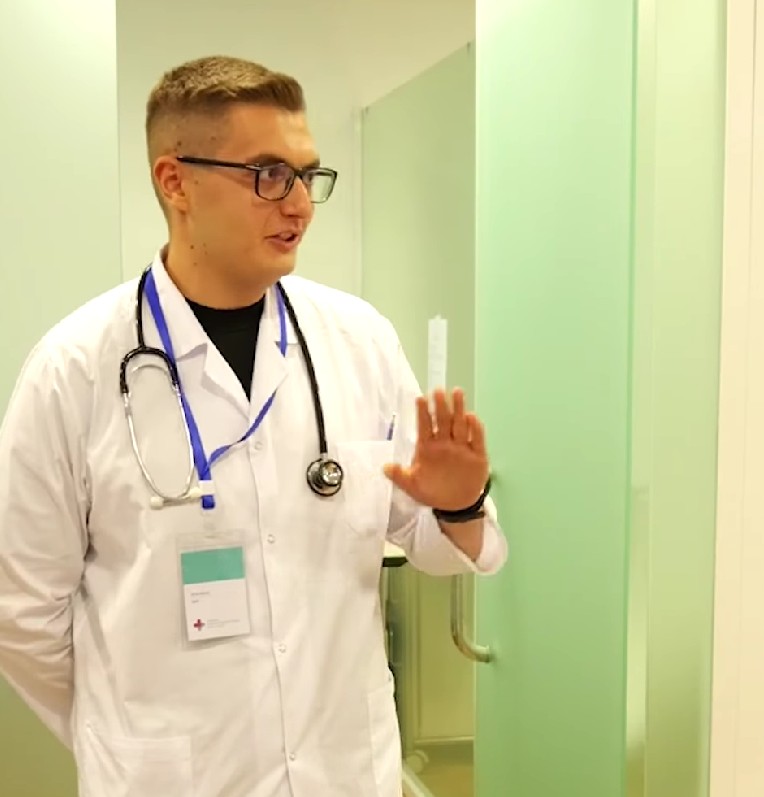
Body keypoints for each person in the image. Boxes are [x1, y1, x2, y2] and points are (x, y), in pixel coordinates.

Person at [0, 55, 507, 797]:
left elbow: (433, 548)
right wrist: (124, 731)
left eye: (308, 175)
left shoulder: (357, 340)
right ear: (175, 182)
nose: (299, 204)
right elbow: (23, 615)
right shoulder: (74, 368)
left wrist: (458, 504)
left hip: (343, 770)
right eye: (269, 174)